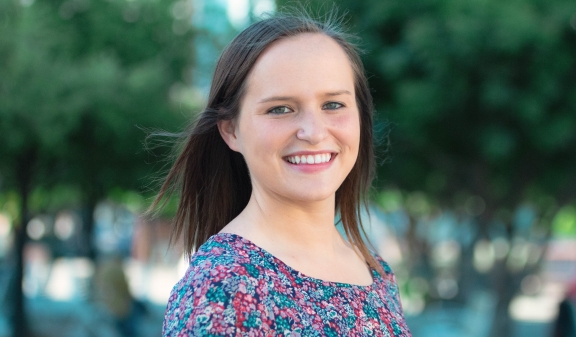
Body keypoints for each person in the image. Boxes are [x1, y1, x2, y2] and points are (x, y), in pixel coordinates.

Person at [151, 10, 412, 336]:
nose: (314, 132)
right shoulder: (220, 292)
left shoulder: (376, 273)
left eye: (333, 104)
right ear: (231, 130)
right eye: (280, 109)